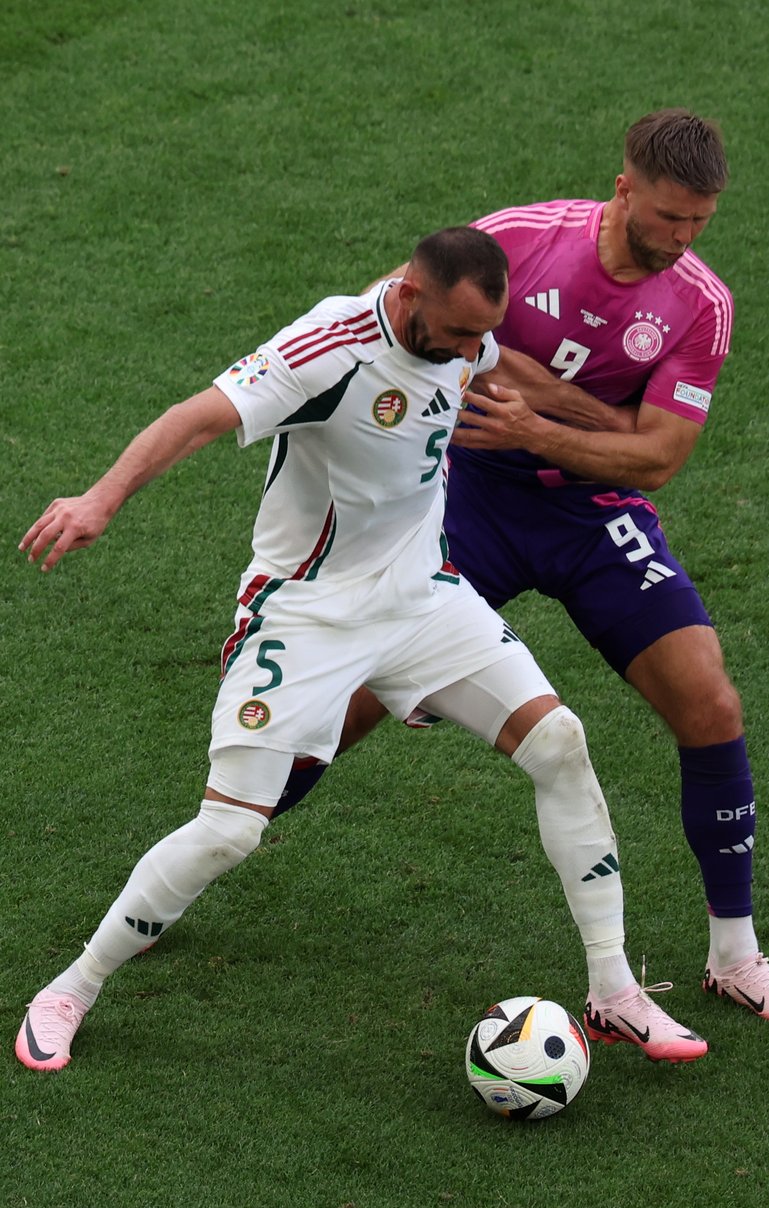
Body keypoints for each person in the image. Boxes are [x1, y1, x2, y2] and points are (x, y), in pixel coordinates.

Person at [15, 227, 706, 1074]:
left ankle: (613, 991)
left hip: (423, 596)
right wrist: (99, 499)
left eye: (479, 336)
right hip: (306, 614)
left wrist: (576, 423)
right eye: (455, 336)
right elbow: (196, 419)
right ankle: (73, 988)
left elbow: (490, 366)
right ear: (411, 294)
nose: (470, 352)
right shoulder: (329, 349)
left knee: (560, 741)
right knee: (230, 831)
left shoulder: (470, 331)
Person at [275, 110, 769, 1031]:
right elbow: (399, 310)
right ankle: (218, 839)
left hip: (591, 513)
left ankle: (736, 953)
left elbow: (655, 462)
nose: (682, 241)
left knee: (710, 704)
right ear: (624, 187)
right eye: (668, 219)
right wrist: (581, 416)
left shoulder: (701, 303)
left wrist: (540, 413)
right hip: (468, 496)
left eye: (700, 223)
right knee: (345, 703)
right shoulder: (522, 241)